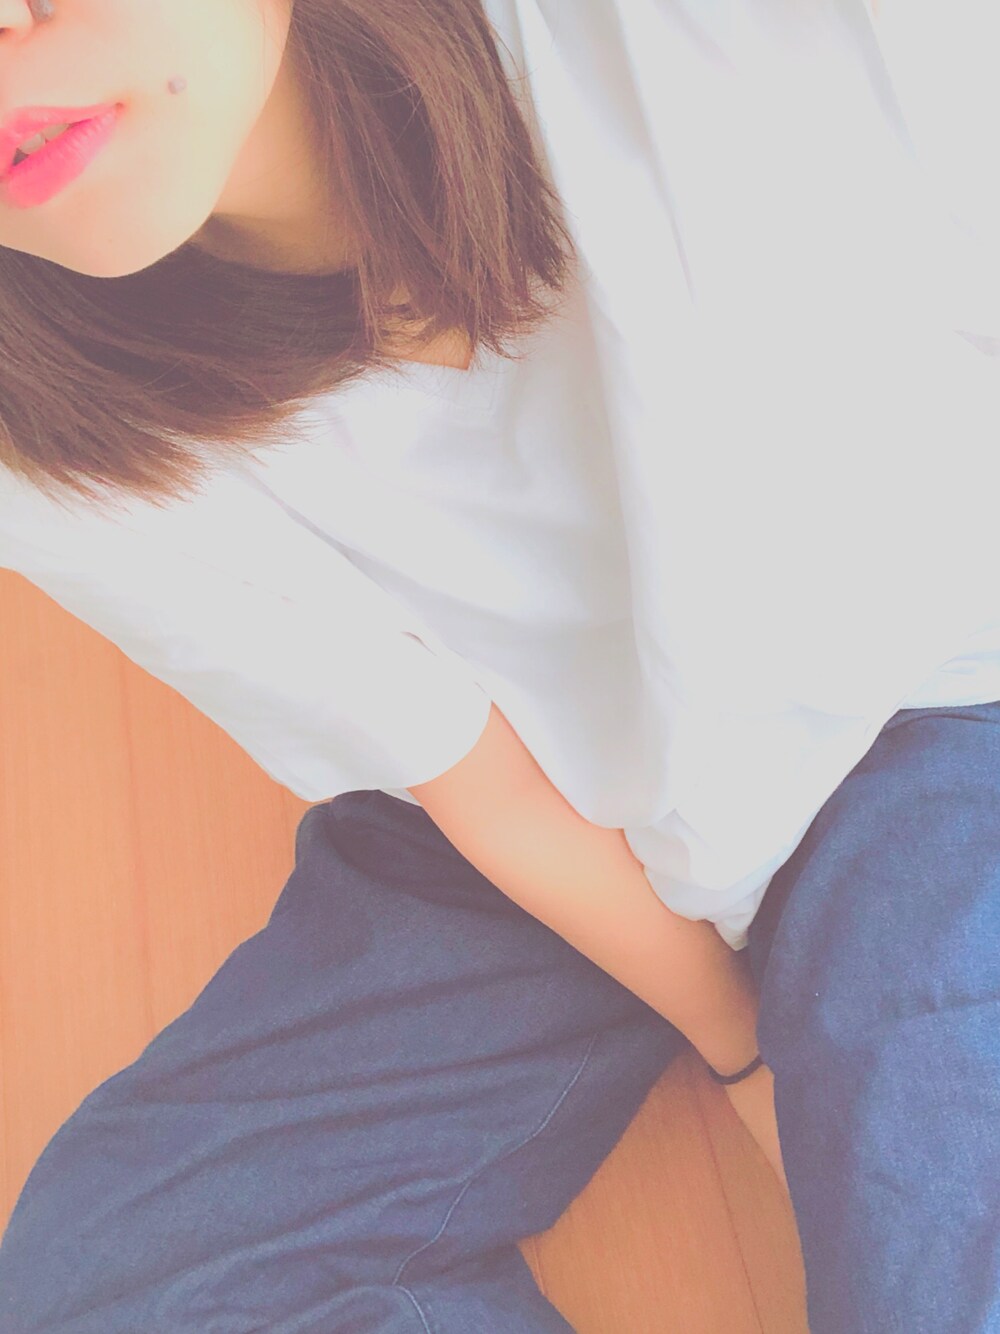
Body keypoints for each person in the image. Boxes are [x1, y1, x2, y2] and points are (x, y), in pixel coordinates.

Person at [0, 0, 997, 1330]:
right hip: (546, 803)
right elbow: (484, 782)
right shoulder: (40, 416)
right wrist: (747, 1051)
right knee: (127, 1292)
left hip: (920, 688)